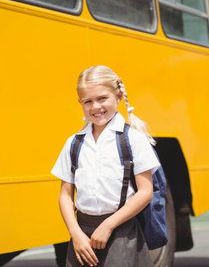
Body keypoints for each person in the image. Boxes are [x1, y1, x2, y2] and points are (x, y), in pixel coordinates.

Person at [51, 65, 160, 267]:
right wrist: (76, 234)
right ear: (80, 103)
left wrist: (108, 225)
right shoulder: (74, 143)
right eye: (88, 101)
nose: (95, 107)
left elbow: (145, 192)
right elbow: (65, 194)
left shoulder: (133, 139)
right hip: (82, 238)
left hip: (121, 233)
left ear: (118, 97)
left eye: (102, 98)